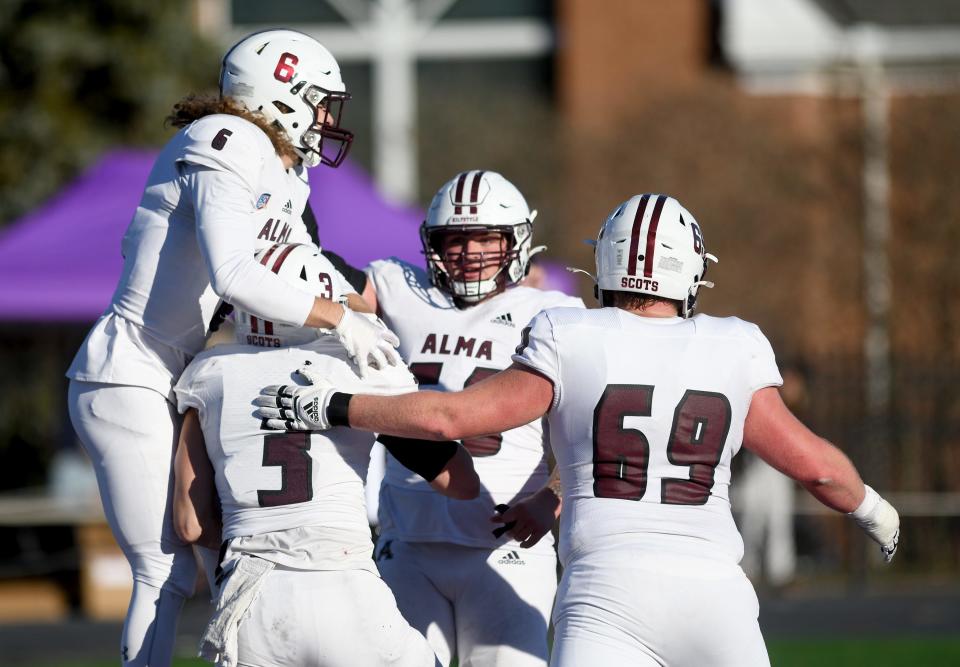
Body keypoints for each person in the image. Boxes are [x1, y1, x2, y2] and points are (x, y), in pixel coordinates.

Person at [256, 193, 901, 666]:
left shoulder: (572, 333)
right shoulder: (733, 344)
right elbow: (816, 467)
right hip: (714, 592)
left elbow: (448, 415)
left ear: (609, 263)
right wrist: (875, 511)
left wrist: (332, 408)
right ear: (691, 270)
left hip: (605, 593)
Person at [65, 29, 400, 667]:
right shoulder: (225, 139)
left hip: (177, 370)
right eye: (321, 102)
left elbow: (305, 258)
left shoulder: (281, 166)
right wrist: (337, 320)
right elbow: (236, 276)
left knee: (211, 555)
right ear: (285, 93)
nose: (328, 120)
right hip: (127, 370)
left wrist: (375, 302)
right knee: (163, 570)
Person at [172, 244, 478, 667]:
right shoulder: (359, 366)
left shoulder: (207, 374)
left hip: (252, 602)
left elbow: (190, 523)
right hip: (343, 582)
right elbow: (459, 483)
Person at [358, 170, 584, 667]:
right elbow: (334, 295)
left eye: (486, 237)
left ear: (517, 241)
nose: (469, 251)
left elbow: (587, 427)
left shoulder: (552, 312)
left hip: (505, 546)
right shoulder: (397, 288)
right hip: (409, 544)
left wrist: (553, 498)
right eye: (455, 238)